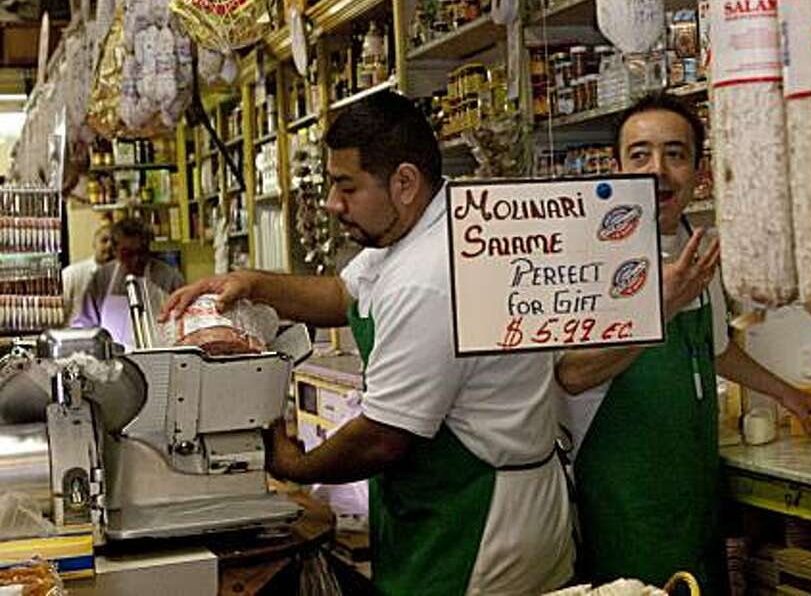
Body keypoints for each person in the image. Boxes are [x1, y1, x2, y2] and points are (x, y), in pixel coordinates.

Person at [159, 93, 573, 596]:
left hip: (483, 521)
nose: (333, 204)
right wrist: (251, 283)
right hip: (439, 501)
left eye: (346, 186)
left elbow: (382, 436)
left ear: (404, 183)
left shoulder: (430, 277)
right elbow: (342, 294)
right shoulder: (413, 228)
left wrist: (294, 465)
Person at [557, 92, 811, 592]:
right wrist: (661, 308)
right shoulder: (590, 260)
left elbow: (716, 348)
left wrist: (787, 393)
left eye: (675, 154)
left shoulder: (697, 245)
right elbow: (573, 373)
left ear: (699, 170)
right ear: (616, 169)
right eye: (640, 155)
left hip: (693, 493)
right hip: (624, 501)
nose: (658, 171)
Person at [74, 216, 183, 347]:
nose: (135, 260)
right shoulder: (102, 278)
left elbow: (183, 324)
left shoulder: (169, 278)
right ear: (115, 250)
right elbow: (86, 325)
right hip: (113, 359)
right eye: (127, 254)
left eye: (141, 253)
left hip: (159, 357)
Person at [62, 222, 113, 322]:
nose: (109, 246)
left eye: (114, 243)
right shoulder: (72, 274)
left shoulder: (123, 277)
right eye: (104, 240)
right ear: (94, 244)